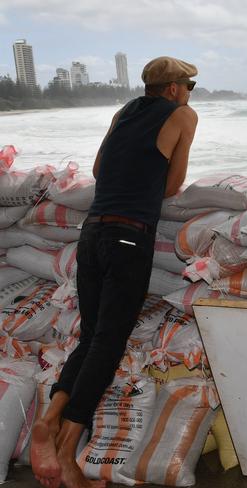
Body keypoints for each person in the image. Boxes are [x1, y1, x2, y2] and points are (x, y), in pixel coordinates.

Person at [30, 56, 199, 488]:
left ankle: (50, 418)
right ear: (176, 88)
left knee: (91, 337)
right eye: (190, 87)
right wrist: (144, 186)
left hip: (92, 234)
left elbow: (100, 170)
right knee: (108, 342)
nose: (190, 94)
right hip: (129, 237)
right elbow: (173, 184)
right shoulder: (183, 114)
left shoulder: (123, 112)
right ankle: (68, 453)